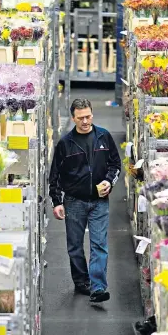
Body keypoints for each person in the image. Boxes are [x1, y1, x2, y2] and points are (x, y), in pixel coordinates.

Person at [48, 98, 121, 303]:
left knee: (99, 244)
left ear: (92, 115)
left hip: (99, 201)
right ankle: (82, 282)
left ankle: (98, 287)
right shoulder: (65, 144)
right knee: (75, 246)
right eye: (80, 118)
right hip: (74, 201)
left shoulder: (104, 137)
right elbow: (55, 175)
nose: (85, 121)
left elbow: (115, 165)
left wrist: (109, 182)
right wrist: (57, 201)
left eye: (88, 116)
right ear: (73, 118)